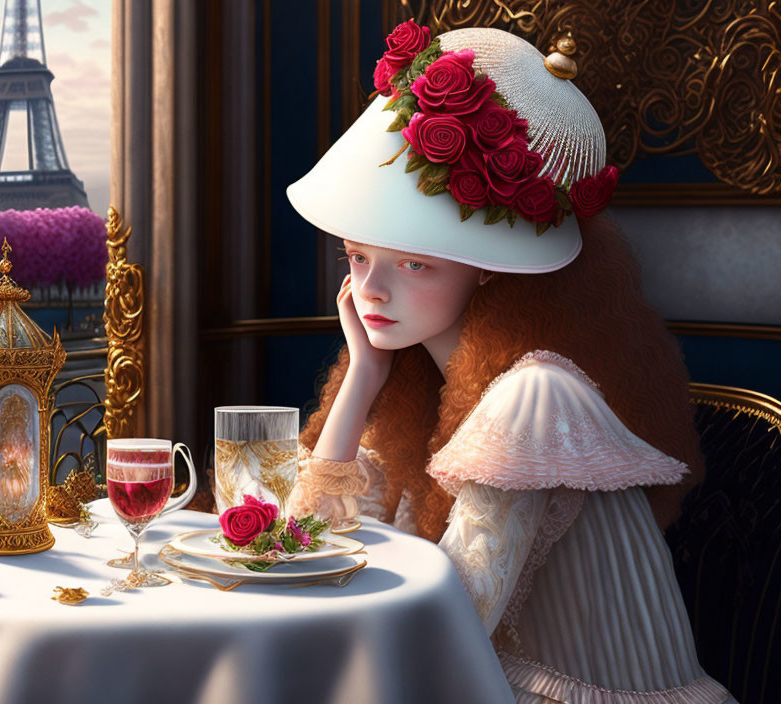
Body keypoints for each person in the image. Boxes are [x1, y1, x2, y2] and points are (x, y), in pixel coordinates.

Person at [285, 22, 736, 704]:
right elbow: (301, 547)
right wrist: (362, 380)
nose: (372, 290)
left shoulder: (536, 398)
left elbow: (449, 631)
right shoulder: (414, 381)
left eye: (414, 264)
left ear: (489, 273)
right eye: (357, 257)